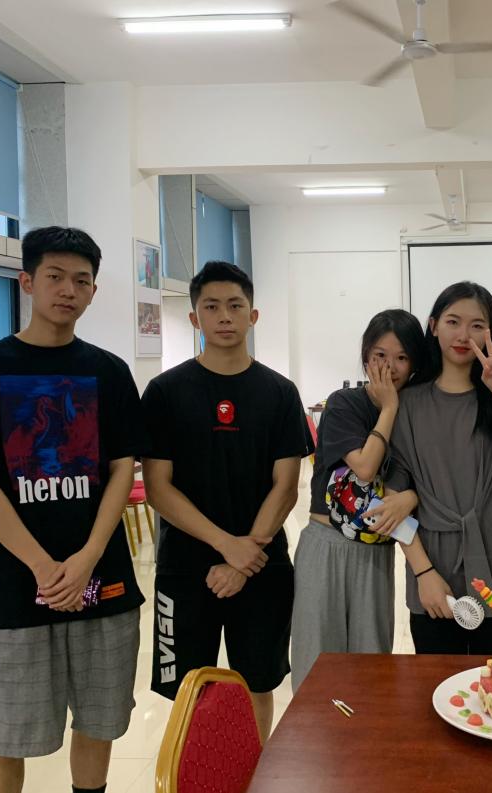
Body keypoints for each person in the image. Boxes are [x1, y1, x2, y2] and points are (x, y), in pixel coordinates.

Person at [0, 226, 145, 793]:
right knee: (6, 732)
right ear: (27, 281)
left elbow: (122, 469)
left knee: (99, 720)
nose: (68, 290)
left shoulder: (109, 372)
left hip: (101, 580)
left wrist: (87, 557)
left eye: (81, 280)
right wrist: (43, 567)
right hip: (14, 583)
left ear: (94, 291)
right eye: (55, 276)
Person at [141, 261, 311, 741]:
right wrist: (226, 546)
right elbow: (158, 488)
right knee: (188, 688)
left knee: (258, 681)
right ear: (194, 317)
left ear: (252, 316)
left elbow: (286, 486)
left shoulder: (280, 393)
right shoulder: (165, 392)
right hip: (185, 567)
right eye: (211, 306)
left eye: (235, 306)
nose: (224, 316)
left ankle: (254, 772)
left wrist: (245, 554)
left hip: (262, 565)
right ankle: (196, 773)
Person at [385, 281, 492, 654]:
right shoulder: (407, 404)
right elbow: (393, 500)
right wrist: (423, 572)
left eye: (476, 325)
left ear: (490, 333)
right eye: (453, 322)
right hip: (434, 561)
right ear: (433, 326)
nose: (463, 335)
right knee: (438, 680)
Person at [290, 310, 427, 691]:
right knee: (317, 666)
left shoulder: (418, 413)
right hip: (326, 546)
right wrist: (389, 409)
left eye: (401, 357)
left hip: (376, 552)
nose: (390, 367)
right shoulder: (344, 403)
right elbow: (365, 467)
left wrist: (410, 496)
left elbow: (428, 480)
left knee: (371, 668)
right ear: (366, 357)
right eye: (380, 355)